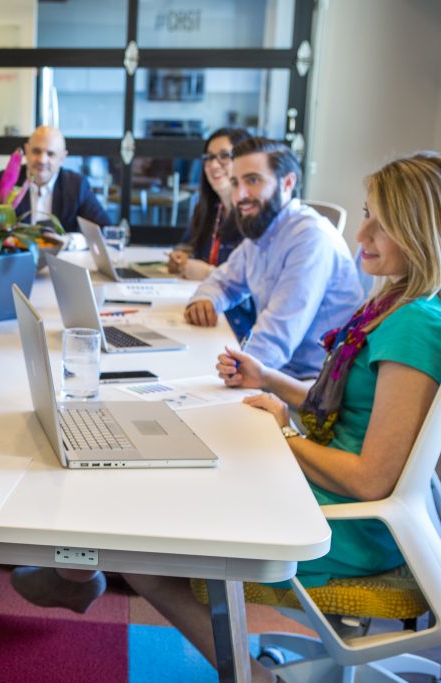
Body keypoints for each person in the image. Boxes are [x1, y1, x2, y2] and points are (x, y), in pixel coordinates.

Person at [125, 151, 441, 683]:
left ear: (417, 231)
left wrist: (281, 439)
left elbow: (371, 480)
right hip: (324, 495)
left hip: (347, 526)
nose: (361, 231)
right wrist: (270, 381)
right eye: (366, 213)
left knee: (146, 553)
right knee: (180, 485)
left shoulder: (415, 324)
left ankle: (248, 675)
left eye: (380, 222)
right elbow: (353, 410)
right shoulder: (394, 304)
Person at [184, 137, 363, 378]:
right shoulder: (263, 232)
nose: (240, 195)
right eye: (235, 183)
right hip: (276, 373)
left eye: (253, 180)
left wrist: (233, 371)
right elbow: (223, 281)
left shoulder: (310, 237)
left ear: (287, 183)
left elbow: (277, 335)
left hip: (311, 385)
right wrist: (205, 301)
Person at [168, 127, 256, 340]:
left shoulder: (254, 216)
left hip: (235, 326)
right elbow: (186, 246)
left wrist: (206, 272)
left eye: (224, 156)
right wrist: (180, 257)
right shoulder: (209, 208)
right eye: (209, 157)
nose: (213, 165)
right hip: (205, 312)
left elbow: (253, 291)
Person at [14, 126, 111, 231]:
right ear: (27, 151)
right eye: (36, 151)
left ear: (62, 158)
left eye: (50, 154)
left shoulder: (77, 185)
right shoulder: (5, 182)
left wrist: (70, 241)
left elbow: (104, 228)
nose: (42, 160)